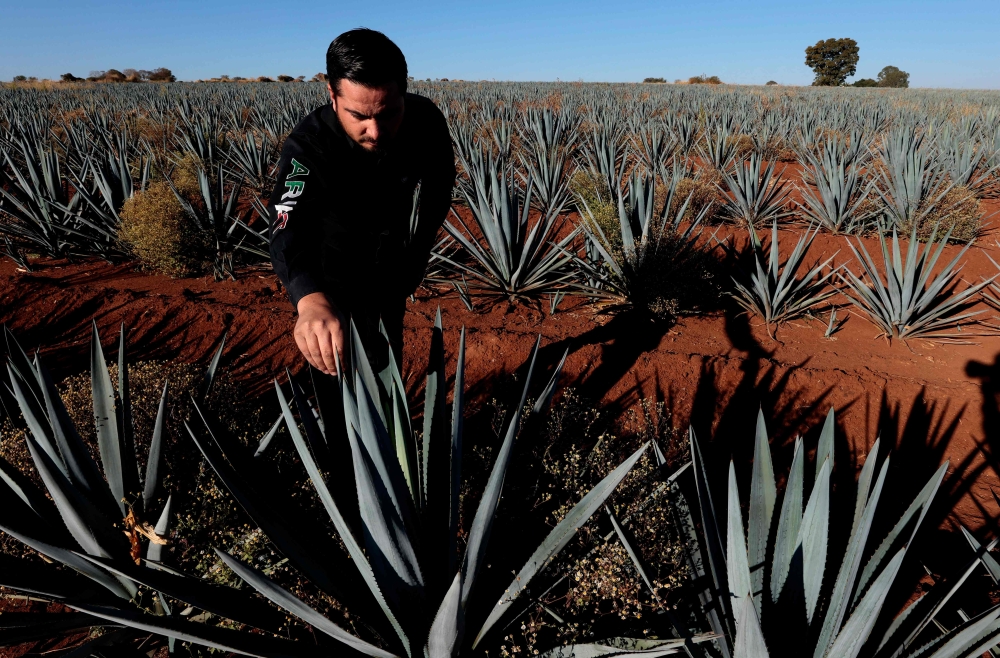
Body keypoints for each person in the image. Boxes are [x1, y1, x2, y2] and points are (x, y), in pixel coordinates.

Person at [269, 28, 455, 375]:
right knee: (333, 368)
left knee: (385, 362)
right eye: (359, 116)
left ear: (404, 90)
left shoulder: (425, 120)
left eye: (388, 113)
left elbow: (439, 186)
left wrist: (418, 251)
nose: (376, 131)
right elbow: (286, 221)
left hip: (390, 263)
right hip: (332, 273)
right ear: (333, 95)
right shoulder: (309, 145)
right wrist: (308, 296)